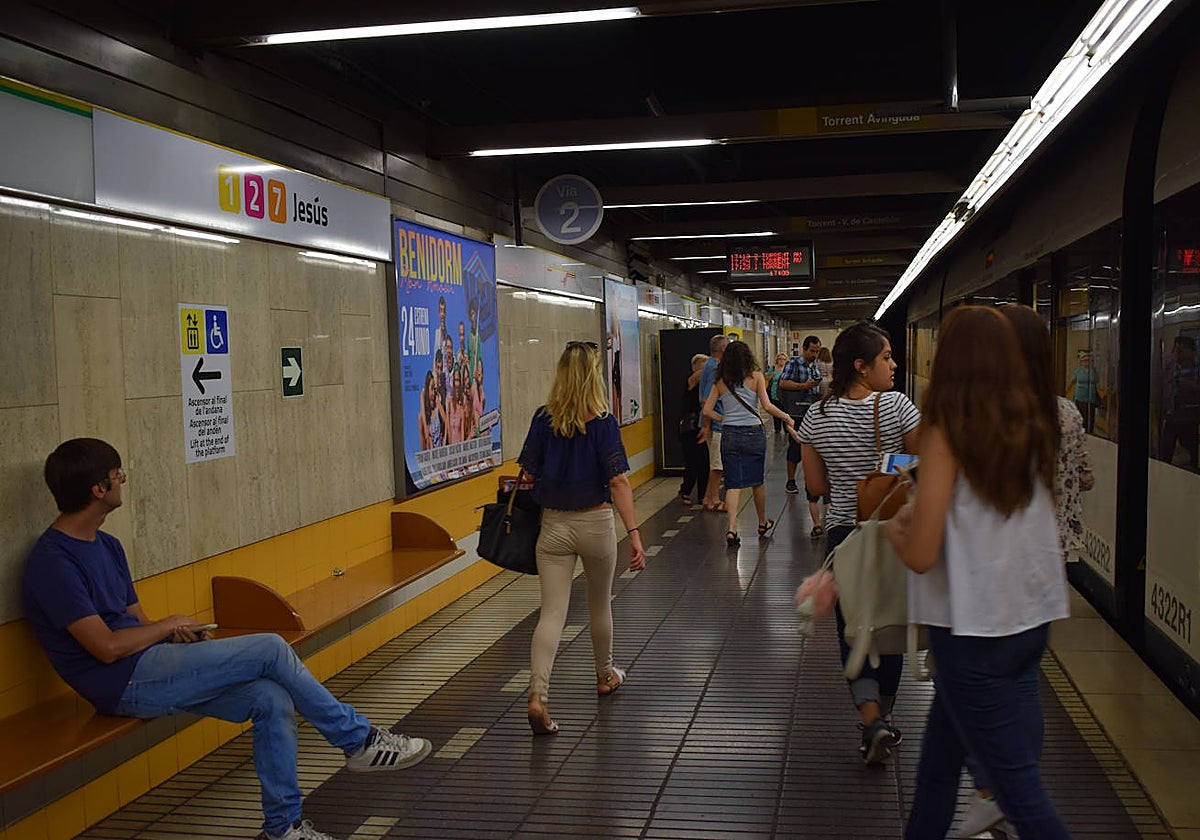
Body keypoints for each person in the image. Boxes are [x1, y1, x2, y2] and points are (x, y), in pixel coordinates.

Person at [22, 439, 432, 840]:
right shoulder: (54, 562)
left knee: (270, 699)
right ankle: (358, 741)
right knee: (270, 647)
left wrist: (177, 633)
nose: (122, 483)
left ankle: (282, 828)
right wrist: (165, 628)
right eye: (118, 476)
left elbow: (136, 625)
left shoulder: (108, 546)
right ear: (98, 489)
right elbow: (106, 648)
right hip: (117, 683)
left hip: (147, 665)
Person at [887, 306, 1069, 839]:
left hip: (971, 631)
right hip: (1029, 620)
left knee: (1018, 792)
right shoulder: (1034, 424)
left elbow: (921, 553)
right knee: (938, 768)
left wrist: (901, 529)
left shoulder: (946, 433)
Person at [799, 322, 920, 764]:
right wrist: (885, 467)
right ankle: (883, 715)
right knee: (892, 624)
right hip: (895, 532)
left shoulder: (816, 416)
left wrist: (852, 479)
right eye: (886, 357)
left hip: (844, 533)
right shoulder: (898, 407)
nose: (894, 364)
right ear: (861, 366)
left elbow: (815, 484)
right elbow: (922, 465)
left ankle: (870, 718)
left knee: (855, 630)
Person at [518, 341, 647, 735]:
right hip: (595, 524)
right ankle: (605, 675)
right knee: (598, 606)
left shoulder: (543, 419)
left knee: (552, 613)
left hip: (553, 527)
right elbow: (618, 480)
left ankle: (538, 695)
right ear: (595, 376)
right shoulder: (603, 422)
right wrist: (635, 535)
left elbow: (527, 473)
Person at [701, 341, 797, 546]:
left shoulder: (721, 381)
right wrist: (787, 417)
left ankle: (732, 528)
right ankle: (762, 522)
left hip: (729, 434)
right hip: (753, 433)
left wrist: (724, 418)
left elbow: (707, 410)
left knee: (733, 484)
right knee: (757, 482)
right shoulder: (756, 377)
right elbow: (767, 405)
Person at [780, 335, 826, 537]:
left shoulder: (814, 366)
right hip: (797, 410)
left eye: (817, 351)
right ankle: (791, 480)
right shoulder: (794, 363)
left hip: (812, 409)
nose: (814, 355)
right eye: (812, 351)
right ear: (805, 349)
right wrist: (802, 386)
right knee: (795, 445)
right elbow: (783, 383)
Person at [698, 334, 729, 513]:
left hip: (714, 422)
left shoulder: (710, 364)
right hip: (716, 423)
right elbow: (706, 400)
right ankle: (712, 498)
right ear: (723, 349)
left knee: (717, 464)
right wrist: (707, 425)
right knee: (717, 465)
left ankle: (709, 497)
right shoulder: (715, 367)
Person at [1160, 335, 1200, 471]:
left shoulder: (1197, 367)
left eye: (1181, 350)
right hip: (1172, 414)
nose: (1178, 353)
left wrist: (1188, 385)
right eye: (1176, 349)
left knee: (1193, 449)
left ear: (1191, 351)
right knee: (1166, 450)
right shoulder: (1170, 365)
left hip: (1191, 417)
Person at [678, 353, 711, 506]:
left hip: (701, 424)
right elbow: (696, 377)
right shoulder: (690, 381)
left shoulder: (705, 387)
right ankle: (685, 490)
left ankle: (702, 495)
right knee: (692, 461)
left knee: (704, 462)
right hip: (689, 426)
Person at [1069, 350, 1100, 433]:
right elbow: (1072, 382)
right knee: (1082, 417)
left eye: (1089, 361)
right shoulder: (1078, 371)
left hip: (1091, 398)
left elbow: (1097, 380)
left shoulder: (1094, 371)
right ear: (1081, 362)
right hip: (1080, 397)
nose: (1087, 362)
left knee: (1090, 418)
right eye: (1084, 361)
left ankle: (1090, 433)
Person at [418, 370, 447, 450]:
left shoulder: (437, 403)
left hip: (440, 446)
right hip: (431, 449)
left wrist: (444, 442)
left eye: (434, 389)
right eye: (431, 388)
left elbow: (446, 421)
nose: (433, 393)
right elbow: (424, 421)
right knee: (420, 418)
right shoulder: (423, 395)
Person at [766, 353, 788, 433]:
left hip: (784, 394)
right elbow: (766, 377)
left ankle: (786, 429)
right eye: (780, 359)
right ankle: (777, 429)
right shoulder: (773, 368)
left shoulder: (787, 369)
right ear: (777, 360)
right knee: (775, 412)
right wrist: (772, 374)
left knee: (785, 411)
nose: (782, 361)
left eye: (784, 359)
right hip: (774, 393)